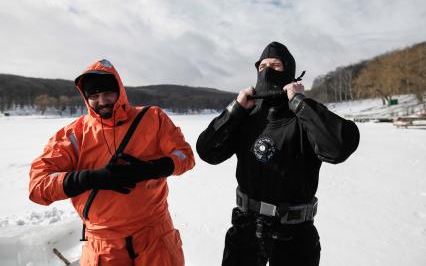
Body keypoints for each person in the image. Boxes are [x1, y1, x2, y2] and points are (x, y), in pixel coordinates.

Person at [196, 42, 360, 265]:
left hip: (294, 234)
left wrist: (300, 103)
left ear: (290, 72)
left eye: (275, 65)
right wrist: (234, 110)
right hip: (246, 228)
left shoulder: (303, 116)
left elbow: (338, 147)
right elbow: (207, 151)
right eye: (262, 66)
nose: (267, 70)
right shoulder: (247, 116)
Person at [29, 59, 195, 266]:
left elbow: (185, 156)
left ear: (120, 90)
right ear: (86, 98)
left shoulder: (152, 118)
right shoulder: (73, 135)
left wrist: (150, 169)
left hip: (155, 237)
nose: (102, 101)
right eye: (94, 96)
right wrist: (90, 178)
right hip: (103, 246)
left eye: (108, 93)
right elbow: (38, 186)